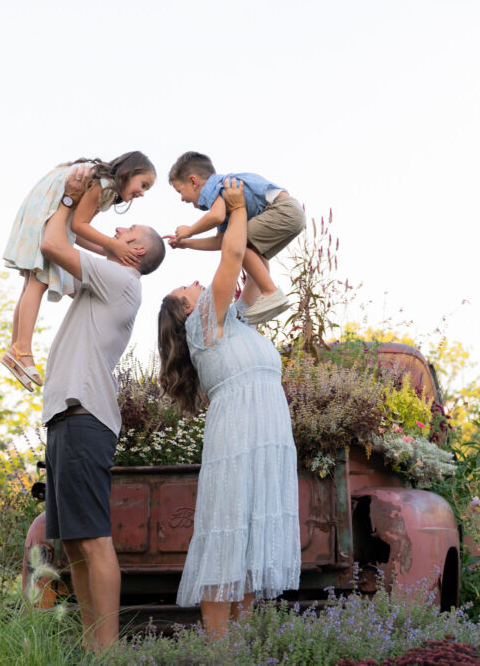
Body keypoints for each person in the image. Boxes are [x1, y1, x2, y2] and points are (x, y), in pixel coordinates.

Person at [157, 178, 300, 641]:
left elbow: (252, 270)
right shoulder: (203, 325)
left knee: (255, 532)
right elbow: (232, 256)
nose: (197, 281)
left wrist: (253, 224)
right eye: (188, 285)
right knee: (228, 533)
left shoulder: (233, 319)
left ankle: (237, 643)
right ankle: (218, 648)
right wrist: (236, 209)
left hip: (268, 429)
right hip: (238, 432)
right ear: (185, 311)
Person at [39, 166, 166, 653]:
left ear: (135, 252)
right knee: (72, 543)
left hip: (84, 416)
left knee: (92, 540)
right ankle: (94, 647)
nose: (116, 230)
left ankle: (107, 652)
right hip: (66, 418)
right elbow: (66, 250)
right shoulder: (104, 279)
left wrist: (71, 202)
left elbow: (54, 243)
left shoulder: (118, 278)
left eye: (126, 232)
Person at [1, 152, 156, 390]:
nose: (142, 193)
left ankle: (16, 349)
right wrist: (112, 245)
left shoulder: (105, 190)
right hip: (48, 207)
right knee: (38, 282)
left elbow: (78, 233)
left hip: (44, 207)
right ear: (130, 172)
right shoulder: (103, 184)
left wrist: (110, 252)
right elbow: (77, 225)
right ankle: (22, 349)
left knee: (31, 283)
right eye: (143, 184)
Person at [165, 151, 305, 325]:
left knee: (238, 243)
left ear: (193, 182)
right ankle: (265, 295)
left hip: (282, 211)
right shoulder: (223, 199)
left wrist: (190, 230)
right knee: (238, 243)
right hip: (291, 214)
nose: (181, 199)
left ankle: (270, 292)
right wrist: (186, 244)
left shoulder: (212, 187)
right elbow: (220, 241)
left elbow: (216, 217)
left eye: (180, 191)